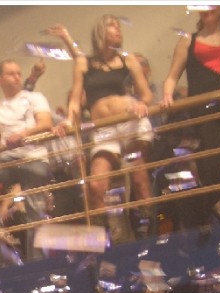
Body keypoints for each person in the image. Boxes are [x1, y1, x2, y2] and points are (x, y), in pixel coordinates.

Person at [65, 14, 154, 242]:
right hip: (104, 130)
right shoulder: (83, 63)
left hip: (130, 122)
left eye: (119, 27)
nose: (118, 30)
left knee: (139, 176)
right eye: (112, 26)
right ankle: (106, 238)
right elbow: (75, 101)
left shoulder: (128, 60)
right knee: (96, 184)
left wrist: (141, 104)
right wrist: (68, 120)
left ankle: (148, 233)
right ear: (100, 32)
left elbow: (146, 94)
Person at [0, 58, 54, 266]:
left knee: (35, 212)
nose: (17, 77)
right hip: (8, 158)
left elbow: (46, 123)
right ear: (0, 79)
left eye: (18, 73)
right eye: (11, 73)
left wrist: (23, 134)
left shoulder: (35, 97)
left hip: (34, 156)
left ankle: (38, 264)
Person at [161, 5, 220, 229]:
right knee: (213, 162)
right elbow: (172, 76)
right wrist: (167, 95)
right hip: (206, 113)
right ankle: (208, 215)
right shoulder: (188, 41)